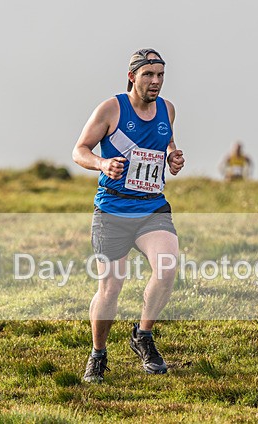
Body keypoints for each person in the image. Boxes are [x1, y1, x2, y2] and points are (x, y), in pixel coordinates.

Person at [72, 48, 185, 383]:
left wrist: (172, 159)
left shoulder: (168, 109)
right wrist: (103, 163)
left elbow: (166, 145)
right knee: (111, 288)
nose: (156, 82)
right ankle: (98, 354)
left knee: (167, 267)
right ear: (132, 76)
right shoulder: (111, 108)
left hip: (151, 207)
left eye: (161, 75)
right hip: (113, 209)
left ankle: (143, 336)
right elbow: (79, 150)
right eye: (149, 75)